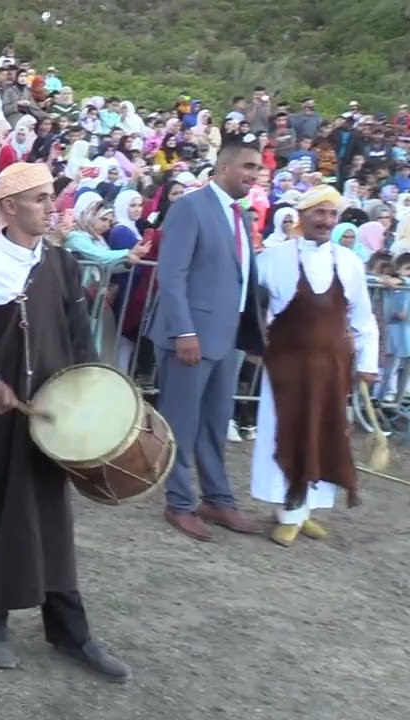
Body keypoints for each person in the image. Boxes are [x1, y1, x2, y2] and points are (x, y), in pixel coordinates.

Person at [0, 162, 131, 682]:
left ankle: (70, 630)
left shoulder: (62, 263)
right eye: (40, 199)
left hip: (51, 416)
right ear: (8, 208)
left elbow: (79, 339)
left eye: (52, 198)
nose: (52, 207)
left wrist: (90, 400)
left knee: (52, 518)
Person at [147, 137, 266, 542]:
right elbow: (172, 273)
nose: (254, 174)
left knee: (215, 423)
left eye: (257, 168)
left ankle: (217, 499)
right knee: (181, 424)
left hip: (225, 338)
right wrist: (184, 330)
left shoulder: (240, 215)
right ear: (224, 166)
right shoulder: (190, 207)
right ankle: (179, 502)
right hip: (190, 337)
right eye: (248, 166)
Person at [250, 185, 376, 546]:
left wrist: (368, 362)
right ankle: (288, 510)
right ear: (302, 216)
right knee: (286, 432)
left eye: (332, 214)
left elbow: (363, 318)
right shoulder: (272, 259)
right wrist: (255, 344)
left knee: (323, 433)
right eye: (319, 212)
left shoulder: (349, 263)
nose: (326, 221)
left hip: (331, 369)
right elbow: (252, 307)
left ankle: (304, 510)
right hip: (286, 368)